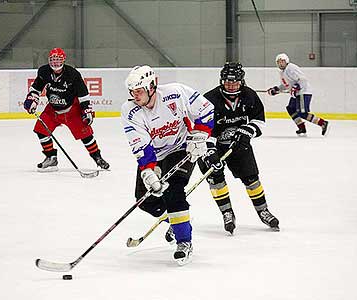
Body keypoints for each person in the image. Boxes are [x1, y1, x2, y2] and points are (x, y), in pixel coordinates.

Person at [121, 65, 214, 265]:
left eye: (139, 91)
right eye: (132, 92)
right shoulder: (130, 111)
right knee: (144, 200)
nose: (135, 96)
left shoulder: (176, 93)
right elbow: (141, 145)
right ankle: (177, 219)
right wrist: (148, 172)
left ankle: (184, 241)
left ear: (152, 86)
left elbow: (205, 110)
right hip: (155, 154)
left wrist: (200, 136)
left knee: (174, 192)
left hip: (181, 147)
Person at [198, 62, 279, 234]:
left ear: (241, 81)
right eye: (228, 82)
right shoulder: (209, 100)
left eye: (235, 82)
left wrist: (247, 131)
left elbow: (259, 121)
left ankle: (263, 210)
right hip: (212, 145)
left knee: (252, 178)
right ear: (222, 81)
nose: (231, 86)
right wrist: (210, 152)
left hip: (239, 144)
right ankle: (227, 213)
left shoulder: (249, 96)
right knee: (216, 179)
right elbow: (202, 131)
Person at [23, 47, 109, 171]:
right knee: (41, 130)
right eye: (53, 60)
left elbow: (83, 94)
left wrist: (86, 110)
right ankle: (51, 158)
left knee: (86, 135)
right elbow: (36, 88)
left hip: (72, 110)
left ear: (63, 60)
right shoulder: (44, 71)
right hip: (52, 110)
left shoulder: (72, 74)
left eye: (58, 60)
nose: (55, 63)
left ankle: (97, 157)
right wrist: (32, 99)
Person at [268, 53, 329, 137]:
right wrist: (276, 89)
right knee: (291, 109)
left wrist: (296, 87)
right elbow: (285, 85)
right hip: (297, 94)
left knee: (302, 113)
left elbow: (302, 79)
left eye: (282, 61)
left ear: (286, 61)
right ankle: (302, 128)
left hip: (303, 92)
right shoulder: (282, 72)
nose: (280, 63)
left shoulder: (291, 68)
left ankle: (323, 123)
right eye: (278, 62)